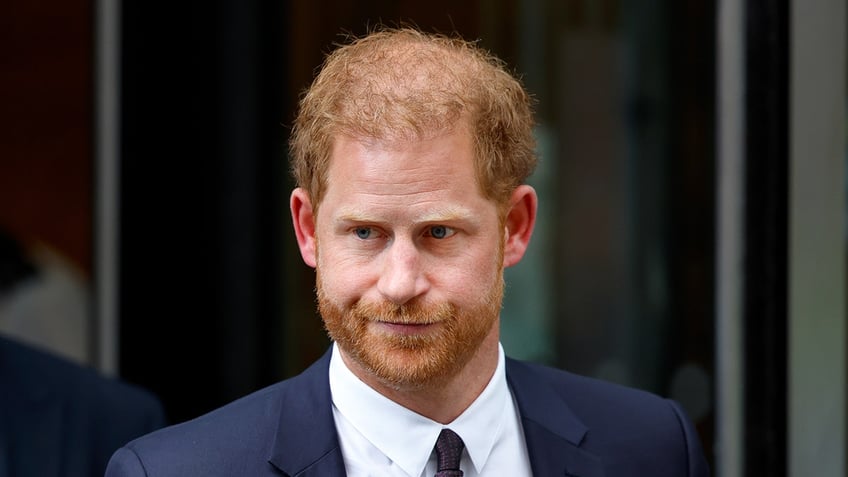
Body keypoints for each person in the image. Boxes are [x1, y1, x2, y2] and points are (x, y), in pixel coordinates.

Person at [106, 27, 710, 476]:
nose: (400, 283)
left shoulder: (651, 447)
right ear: (308, 229)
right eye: (366, 233)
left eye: (438, 234)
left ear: (516, 226)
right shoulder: (174, 471)